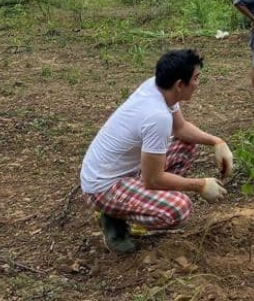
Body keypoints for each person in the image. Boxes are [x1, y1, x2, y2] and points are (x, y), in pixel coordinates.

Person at [80, 49, 233, 253]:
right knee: (178, 209)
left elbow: (180, 128)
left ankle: (135, 203)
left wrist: (216, 142)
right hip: (102, 186)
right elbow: (153, 179)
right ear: (180, 84)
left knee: (186, 145)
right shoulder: (157, 116)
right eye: (196, 78)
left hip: (124, 171)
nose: (198, 84)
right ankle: (114, 217)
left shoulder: (158, 87)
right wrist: (200, 185)